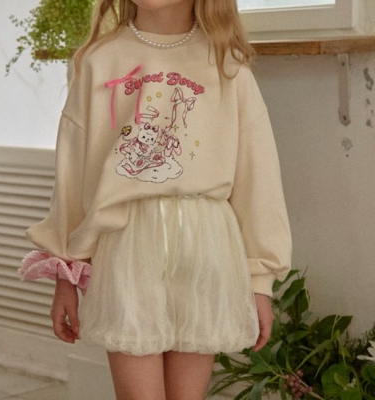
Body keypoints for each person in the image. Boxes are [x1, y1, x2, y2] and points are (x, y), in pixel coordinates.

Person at [20, 0, 292, 398]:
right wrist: (66, 273)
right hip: (127, 248)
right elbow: (73, 176)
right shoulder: (99, 60)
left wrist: (259, 280)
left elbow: (258, 178)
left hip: (206, 249)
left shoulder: (226, 63)